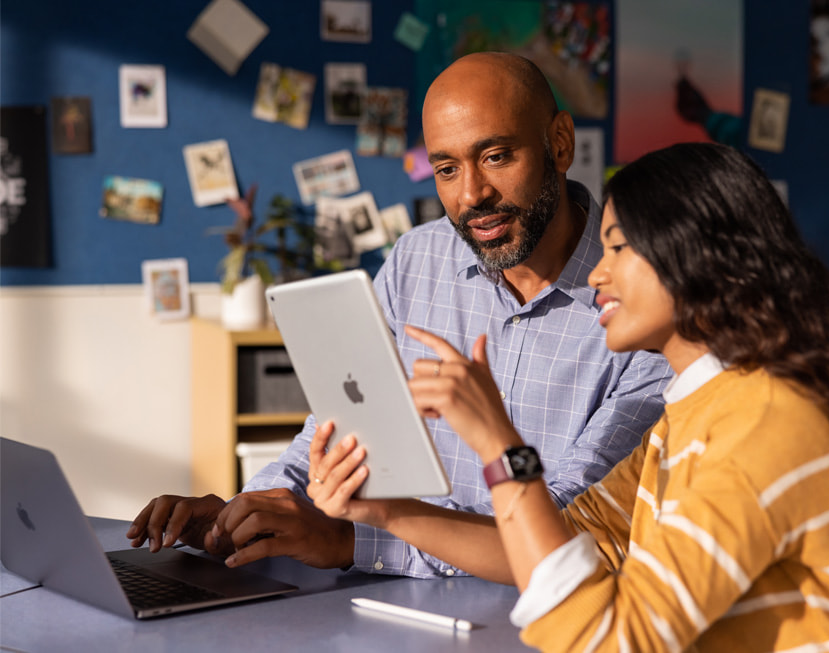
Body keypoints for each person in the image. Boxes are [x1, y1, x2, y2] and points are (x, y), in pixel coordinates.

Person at [308, 142, 829, 650]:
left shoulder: (765, 427)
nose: (597, 272)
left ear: (697, 257)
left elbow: (615, 639)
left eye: (618, 247)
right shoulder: (694, 414)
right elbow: (566, 543)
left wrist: (500, 445)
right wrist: (386, 513)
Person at [126, 52, 672, 577]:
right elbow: (337, 429)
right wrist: (245, 517)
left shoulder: (645, 306)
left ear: (559, 143)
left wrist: (352, 542)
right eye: (446, 168)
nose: (472, 195)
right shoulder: (418, 258)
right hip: (385, 594)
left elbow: (562, 528)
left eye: (496, 156)